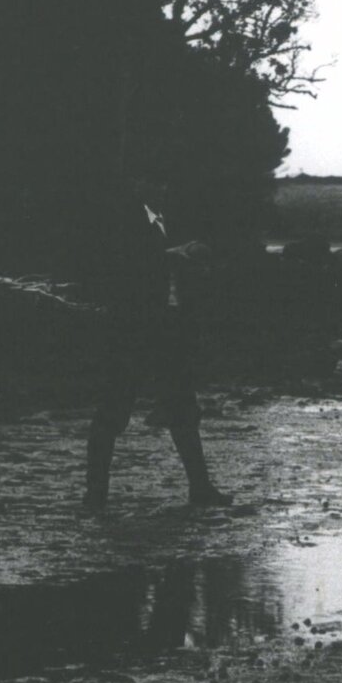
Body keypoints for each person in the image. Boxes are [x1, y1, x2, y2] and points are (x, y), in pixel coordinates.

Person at [81, 172, 233, 511]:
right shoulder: (124, 223)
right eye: (155, 183)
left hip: (168, 332)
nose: (163, 189)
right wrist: (173, 255)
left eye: (167, 183)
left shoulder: (168, 222)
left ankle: (200, 489)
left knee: (183, 410)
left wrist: (191, 256)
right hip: (131, 333)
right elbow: (124, 270)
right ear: (138, 186)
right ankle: (95, 495)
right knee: (112, 412)